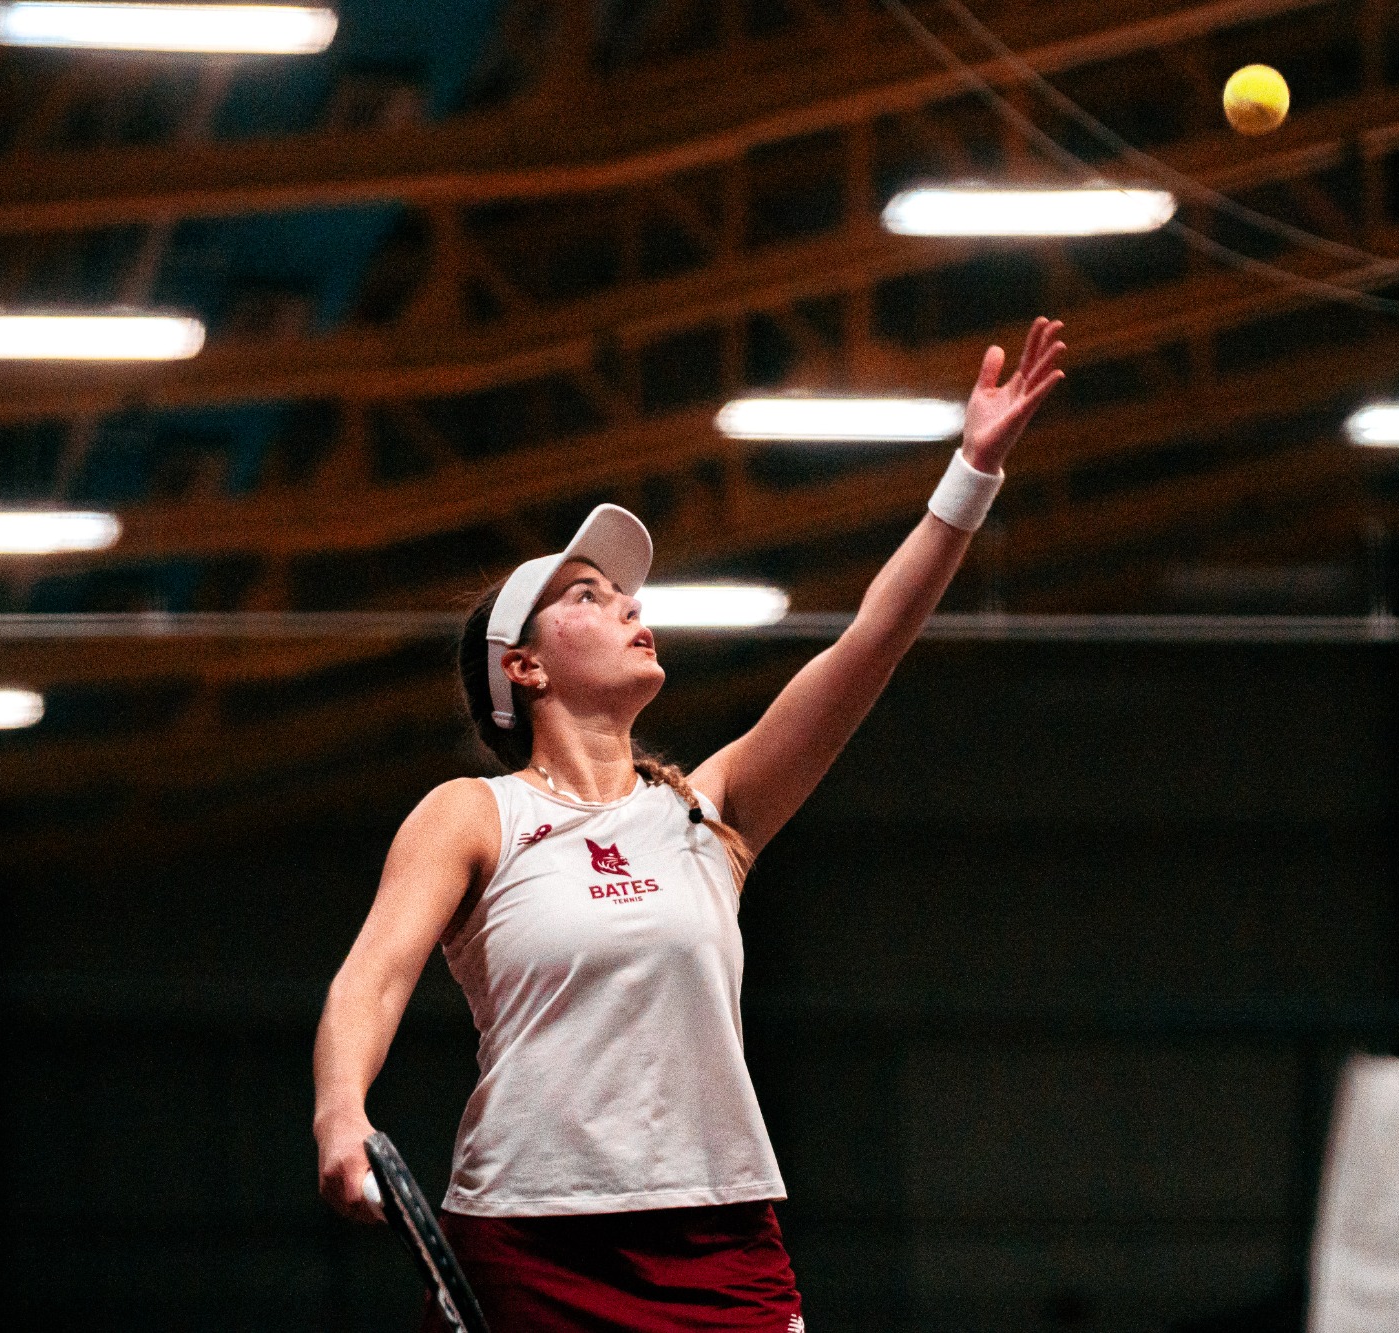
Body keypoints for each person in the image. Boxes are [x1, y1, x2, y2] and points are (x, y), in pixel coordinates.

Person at [312, 317, 1067, 1331]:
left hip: (720, 1244)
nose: (630, 604)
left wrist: (969, 473)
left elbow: (872, 643)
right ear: (522, 668)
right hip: (534, 1237)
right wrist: (339, 1113)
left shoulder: (711, 813)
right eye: (589, 595)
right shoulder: (473, 814)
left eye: (628, 591)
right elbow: (375, 974)